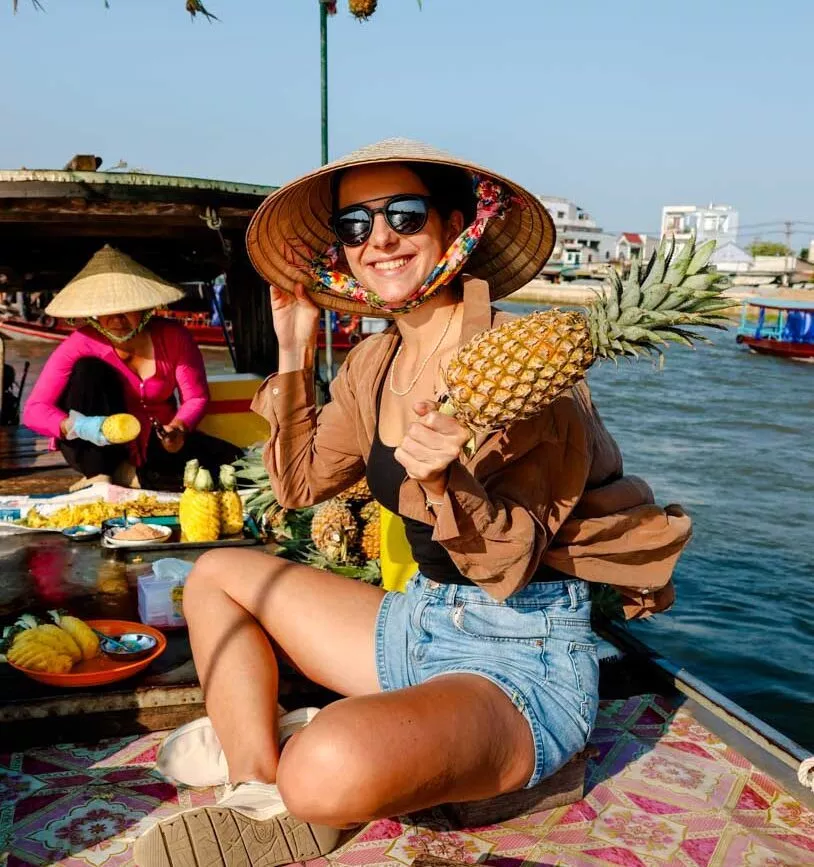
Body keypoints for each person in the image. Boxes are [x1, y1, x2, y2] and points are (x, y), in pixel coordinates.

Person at [135, 140, 691, 867]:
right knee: (214, 575)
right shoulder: (377, 360)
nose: (380, 240)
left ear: (456, 224)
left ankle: (312, 776)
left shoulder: (519, 365)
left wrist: (444, 481)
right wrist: (295, 351)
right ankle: (258, 791)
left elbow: (507, 564)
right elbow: (302, 485)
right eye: (355, 226)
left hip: (520, 658)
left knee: (325, 762)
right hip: (417, 620)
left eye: (403, 213)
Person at [22, 245, 241, 491]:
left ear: (145, 309)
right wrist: (77, 426)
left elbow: (196, 397)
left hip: (158, 442)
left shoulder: (174, 337)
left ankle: (134, 476)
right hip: (95, 449)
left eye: (127, 309)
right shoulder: (81, 342)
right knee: (88, 369)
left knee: (236, 467)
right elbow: (34, 410)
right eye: (107, 311)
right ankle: (101, 474)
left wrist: (179, 428)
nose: (116, 319)